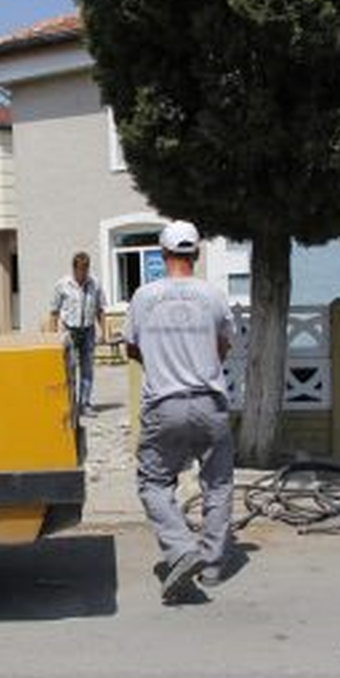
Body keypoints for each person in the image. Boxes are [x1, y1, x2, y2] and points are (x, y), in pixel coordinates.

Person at [123, 222, 235, 602]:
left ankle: (181, 548)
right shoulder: (214, 295)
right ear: (196, 254)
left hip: (164, 405)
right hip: (211, 403)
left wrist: (161, 359)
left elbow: (131, 349)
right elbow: (224, 346)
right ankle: (213, 566)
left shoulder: (143, 296)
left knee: (153, 483)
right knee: (217, 484)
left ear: (162, 253)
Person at [49, 252, 107, 415]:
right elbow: (54, 311)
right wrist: (53, 336)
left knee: (87, 369)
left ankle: (85, 404)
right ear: (74, 268)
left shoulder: (95, 284)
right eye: (80, 269)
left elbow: (100, 309)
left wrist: (104, 331)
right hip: (70, 331)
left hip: (88, 330)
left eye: (85, 269)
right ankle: (71, 404)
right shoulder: (62, 284)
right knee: (71, 368)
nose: (83, 273)